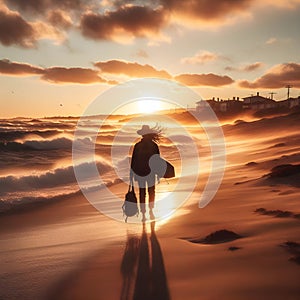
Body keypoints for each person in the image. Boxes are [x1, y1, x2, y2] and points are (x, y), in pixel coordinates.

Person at [130, 125, 162, 222]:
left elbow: (133, 161)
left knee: (142, 193)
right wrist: (159, 174)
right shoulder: (154, 146)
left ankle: (143, 213)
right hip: (151, 172)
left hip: (140, 172)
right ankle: (151, 211)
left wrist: (132, 174)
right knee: (151, 191)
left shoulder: (137, 146)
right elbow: (158, 161)